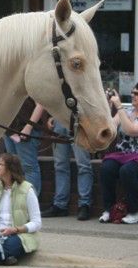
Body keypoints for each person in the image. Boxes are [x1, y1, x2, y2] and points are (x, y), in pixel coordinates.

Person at [98, 85, 138, 224]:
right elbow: (109, 127)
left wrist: (119, 108)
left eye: (136, 93)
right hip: (123, 154)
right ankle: (109, 209)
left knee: (127, 171)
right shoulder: (127, 111)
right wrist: (108, 106)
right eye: (132, 92)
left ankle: (134, 211)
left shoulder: (123, 111)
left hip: (136, 156)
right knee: (106, 168)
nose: (133, 95)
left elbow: (131, 130)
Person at [41, 119, 94, 221]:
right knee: (60, 166)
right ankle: (60, 205)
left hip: (80, 121)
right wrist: (52, 116)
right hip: (60, 119)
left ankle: (84, 205)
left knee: (83, 165)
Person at [3, 98, 44, 196]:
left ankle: (30, 203)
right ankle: (16, 201)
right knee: (12, 167)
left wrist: (28, 127)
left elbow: (40, 105)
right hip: (9, 130)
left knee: (28, 167)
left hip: (26, 130)